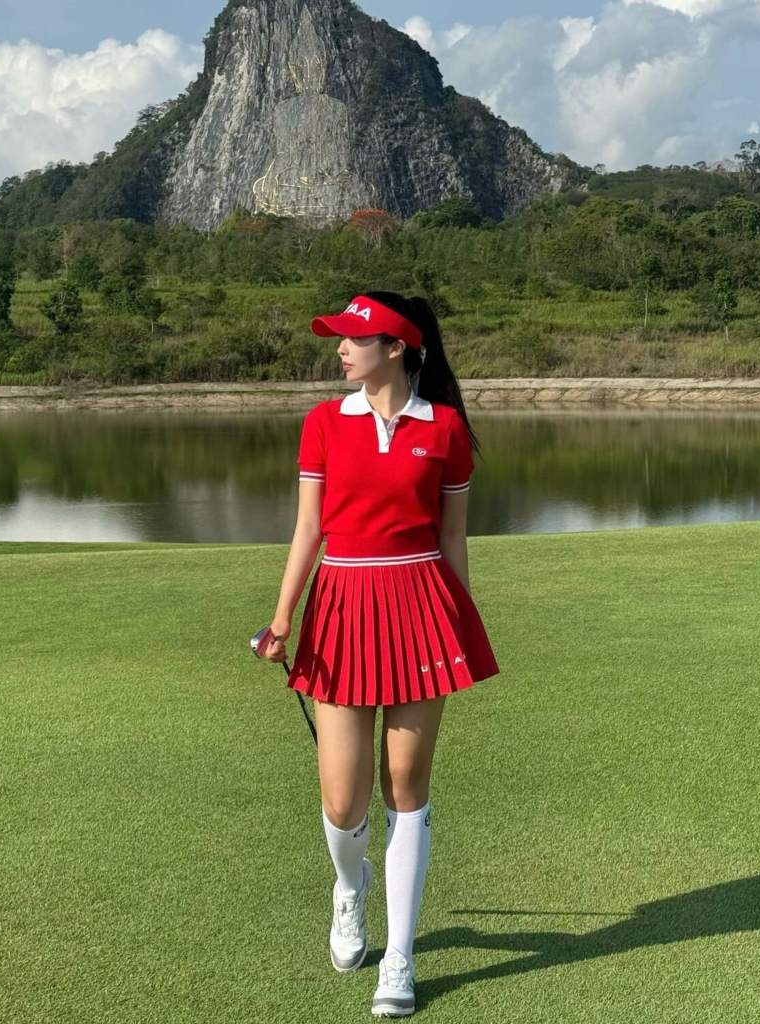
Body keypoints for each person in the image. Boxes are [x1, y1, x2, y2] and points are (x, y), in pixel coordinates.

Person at [264, 291, 499, 1017]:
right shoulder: (323, 423)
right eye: (338, 338)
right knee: (342, 800)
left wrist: (459, 619)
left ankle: (398, 955)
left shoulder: (446, 428)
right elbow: (308, 529)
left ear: (397, 346)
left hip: (420, 607)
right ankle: (349, 886)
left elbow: (452, 535)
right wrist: (281, 619)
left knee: (405, 785)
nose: (340, 348)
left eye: (353, 337)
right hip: (339, 608)